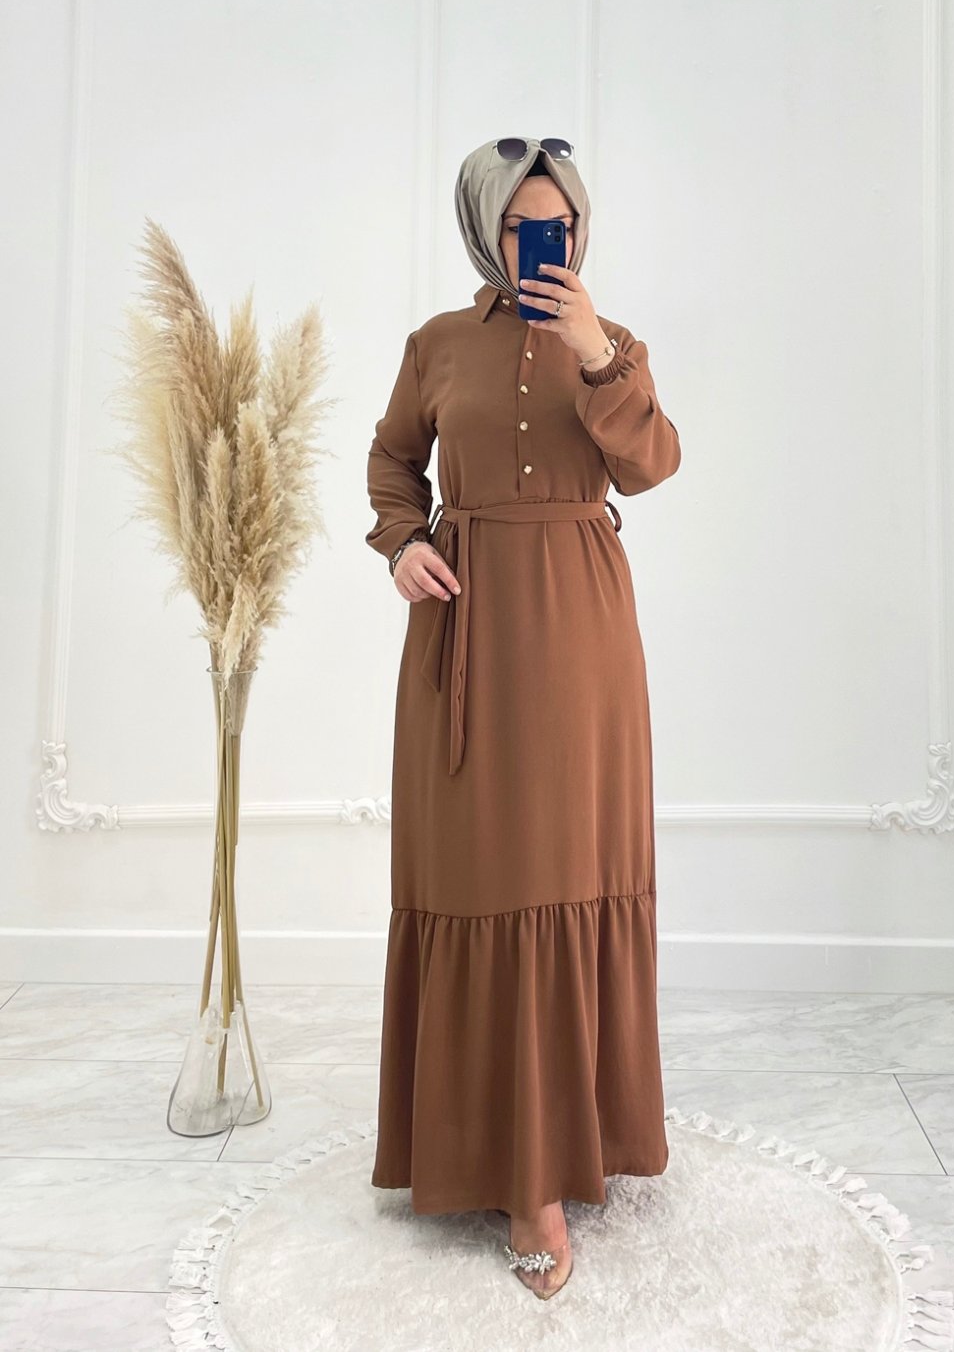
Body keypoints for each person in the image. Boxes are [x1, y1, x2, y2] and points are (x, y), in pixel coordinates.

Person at [365, 135, 681, 1299]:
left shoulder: (615, 343)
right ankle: (480, 1152)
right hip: (463, 631)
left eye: (559, 222)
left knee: (569, 868)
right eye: (519, 224)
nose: (541, 242)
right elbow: (392, 460)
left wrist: (595, 352)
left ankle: (550, 1166)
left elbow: (652, 465)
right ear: (483, 229)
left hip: (582, 637)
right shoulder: (435, 345)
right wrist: (401, 543)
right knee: (480, 871)